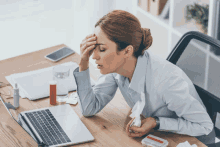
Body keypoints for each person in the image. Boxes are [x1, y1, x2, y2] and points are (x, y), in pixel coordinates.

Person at [73, 10, 215, 145]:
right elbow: (89, 108)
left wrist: (156, 122)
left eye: (102, 49)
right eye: (94, 48)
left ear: (127, 51)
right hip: (163, 136)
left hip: (193, 140)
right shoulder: (116, 69)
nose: (94, 56)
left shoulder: (167, 82)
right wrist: (83, 62)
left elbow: (204, 127)